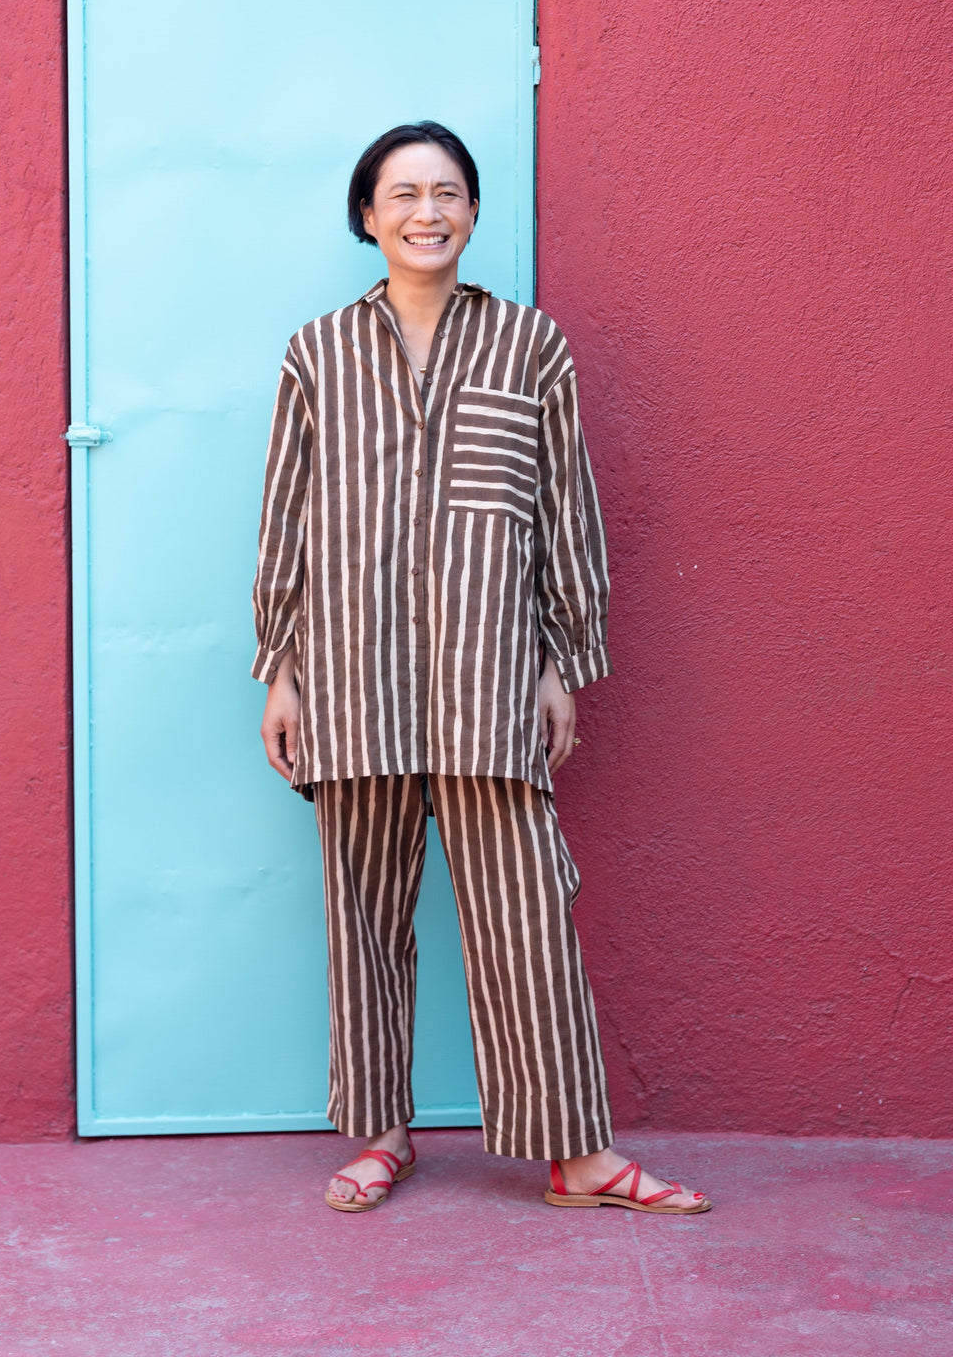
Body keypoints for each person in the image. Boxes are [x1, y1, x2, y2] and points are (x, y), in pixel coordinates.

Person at [253, 121, 710, 1216]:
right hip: (350, 674)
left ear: (471, 212)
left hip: (488, 678)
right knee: (362, 915)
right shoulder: (317, 350)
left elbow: (566, 510)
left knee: (525, 915)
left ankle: (578, 1155)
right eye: (402, 193)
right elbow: (287, 516)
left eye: (446, 191)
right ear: (367, 216)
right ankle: (381, 1136)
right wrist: (281, 664)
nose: (425, 210)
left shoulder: (527, 345)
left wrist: (560, 661)